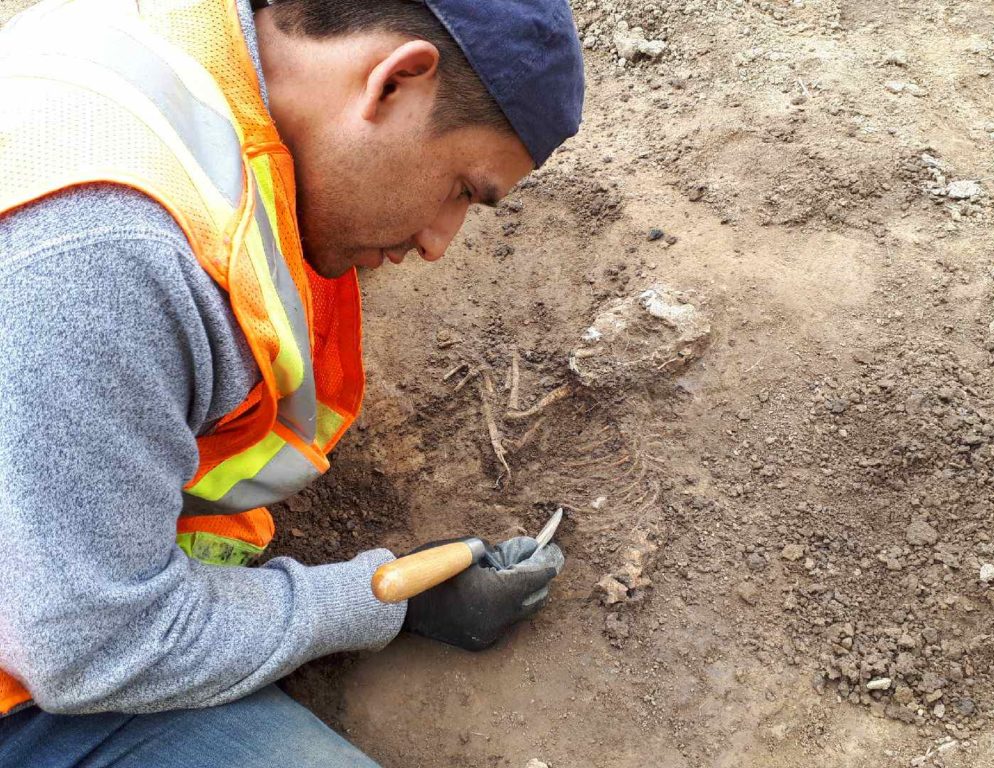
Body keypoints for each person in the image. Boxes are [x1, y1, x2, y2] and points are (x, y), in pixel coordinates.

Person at [0, 0, 584, 765]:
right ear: (395, 81)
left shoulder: (168, 39)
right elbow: (92, 650)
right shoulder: (107, 253)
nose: (441, 243)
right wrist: (375, 602)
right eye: (462, 190)